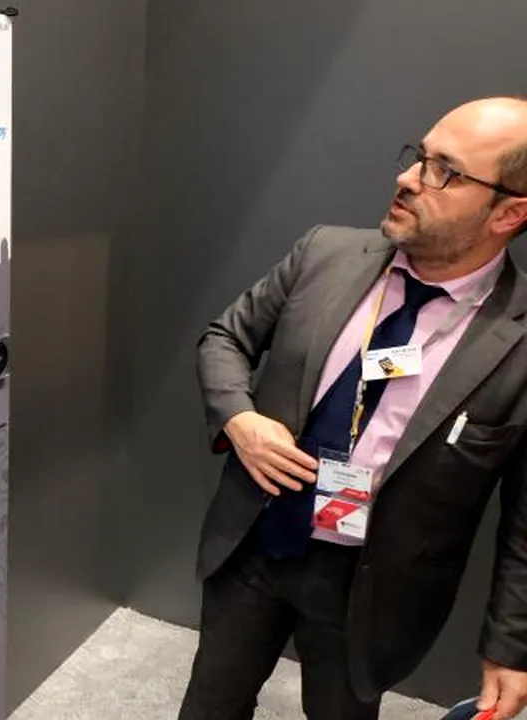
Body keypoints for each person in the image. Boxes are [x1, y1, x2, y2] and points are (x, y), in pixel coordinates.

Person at [180, 96, 527, 720]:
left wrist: (511, 647)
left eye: (444, 171)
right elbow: (225, 337)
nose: (408, 178)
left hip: (373, 589)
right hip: (257, 540)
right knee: (210, 707)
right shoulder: (325, 253)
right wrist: (240, 418)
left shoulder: (521, 340)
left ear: (510, 212)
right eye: (419, 156)